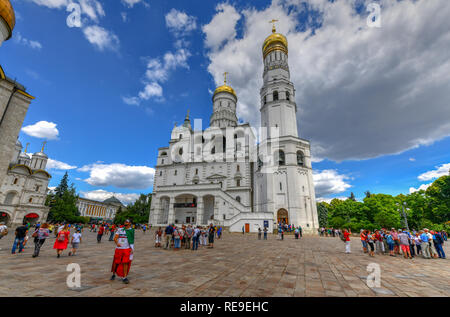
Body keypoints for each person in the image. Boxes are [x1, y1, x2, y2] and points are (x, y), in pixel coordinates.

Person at [111, 220, 135, 284]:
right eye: (125, 222)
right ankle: (113, 274)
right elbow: (115, 238)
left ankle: (124, 277)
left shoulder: (131, 230)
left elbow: (132, 240)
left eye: (127, 222)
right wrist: (117, 243)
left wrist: (132, 249)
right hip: (119, 248)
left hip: (126, 249)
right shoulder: (120, 229)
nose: (125, 223)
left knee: (126, 263)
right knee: (116, 262)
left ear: (130, 223)